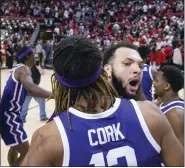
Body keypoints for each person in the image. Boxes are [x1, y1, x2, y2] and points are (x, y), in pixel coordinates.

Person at [21, 37, 183, 166]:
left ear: (57, 79)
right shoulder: (151, 114)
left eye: (139, 65)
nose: (136, 69)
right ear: (103, 69)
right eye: (127, 63)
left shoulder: (47, 139)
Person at [0, 45, 52, 166]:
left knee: (14, 148)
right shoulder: (24, 69)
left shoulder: (16, 68)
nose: (35, 57)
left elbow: (26, 90)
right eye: (33, 55)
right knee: (27, 154)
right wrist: (53, 94)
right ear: (28, 56)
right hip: (9, 115)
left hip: (8, 114)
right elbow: (31, 88)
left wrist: (47, 95)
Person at [153, 65, 184, 146]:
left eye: (156, 80)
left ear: (166, 86)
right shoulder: (161, 103)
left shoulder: (175, 114)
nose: (153, 83)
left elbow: (180, 150)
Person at [20, 56, 48, 122]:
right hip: (28, 89)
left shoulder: (38, 66)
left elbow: (43, 73)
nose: (35, 60)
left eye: (36, 58)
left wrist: (38, 67)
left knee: (42, 101)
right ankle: (22, 117)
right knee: (25, 104)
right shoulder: (26, 66)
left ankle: (43, 116)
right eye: (34, 58)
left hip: (36, 88)